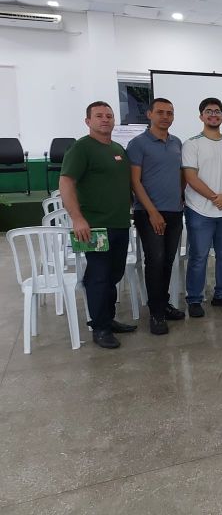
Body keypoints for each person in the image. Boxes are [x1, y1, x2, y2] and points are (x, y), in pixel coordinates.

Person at [59, 101, 137, 348]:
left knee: (114, 274)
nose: (105, 119)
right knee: (98, 277)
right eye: (99, 116)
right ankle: (100, 327)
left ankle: (108, 319)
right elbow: (66, 182)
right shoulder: (81, 148)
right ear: (88, 121)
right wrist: (77, 218)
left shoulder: (118, 148)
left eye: (109, 116)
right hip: (94, 227)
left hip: (120, 224)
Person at [182, 97, 222, 318]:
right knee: (198, 257)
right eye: (209, 111)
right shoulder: (192, 144)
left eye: (217, 111)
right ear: (201, 116)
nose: (213, 115)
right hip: (199, 210)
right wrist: (214, 197)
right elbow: (190, 176)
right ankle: (194, 299)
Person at [128, 97, 184, 335]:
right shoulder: (138, 144)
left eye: (169, 113)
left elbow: (180, 174)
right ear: (149, 114)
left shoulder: (176, 142)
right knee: (155, 261)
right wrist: (152, 212)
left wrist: (180, 197)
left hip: (174, 211)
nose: (165, 117)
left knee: (168, 260)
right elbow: (134, 181)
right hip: (149, 213)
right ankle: (156, 313)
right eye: (160, 112)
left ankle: (163, 303)